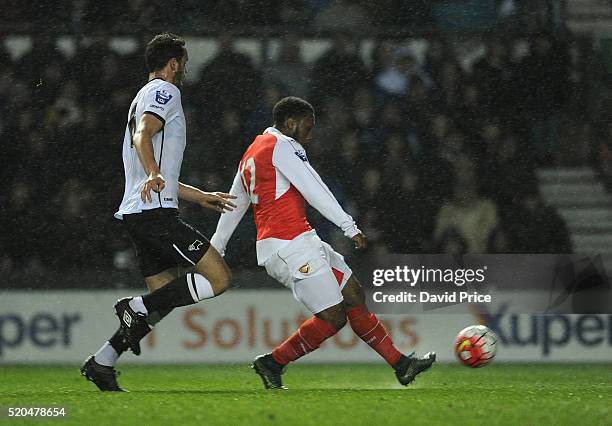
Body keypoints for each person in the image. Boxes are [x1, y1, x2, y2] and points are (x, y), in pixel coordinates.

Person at [210, 97, 436, 389]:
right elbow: (314, 187)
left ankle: (401, 364)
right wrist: (347, 225)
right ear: (290, 123)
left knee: (353, 294)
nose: (310, 134)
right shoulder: (284, 146)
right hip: (288, 246)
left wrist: (218, 246)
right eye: (307, 127)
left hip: (298, 240)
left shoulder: (253, 151)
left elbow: (235, 202)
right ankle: (273, 361)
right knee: (333, 317)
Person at [80, 33, 237, 392]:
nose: (184, 70)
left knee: (163, 299)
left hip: (141, 212)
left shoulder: (141, 95)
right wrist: (153, 171)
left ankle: (103, 361)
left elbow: (158, 169)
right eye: (183, 63)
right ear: (172, 64)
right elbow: (142, 136)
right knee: (220, 278)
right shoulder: (165, 92)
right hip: (155, 214)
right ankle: (133, 304)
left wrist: (199, 196)